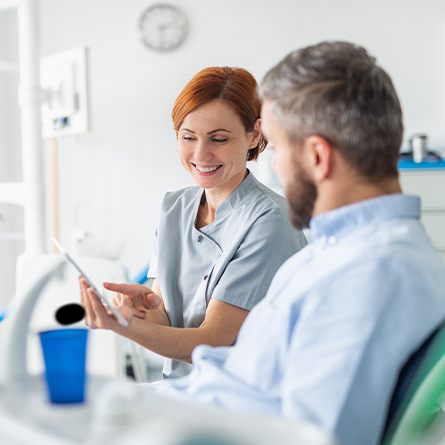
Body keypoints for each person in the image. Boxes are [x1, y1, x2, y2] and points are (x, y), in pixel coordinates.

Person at [146, 42, 444, 445]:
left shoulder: (370, 274)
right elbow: (244, 375)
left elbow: (314, 436)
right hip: (188, 411)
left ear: (318, 157)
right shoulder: (338, 253)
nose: (275, 165)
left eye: (278, 148)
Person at [80, 66, 307, 379]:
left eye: (219, 139)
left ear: (254, 134)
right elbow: (166, 318)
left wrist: (125, 327)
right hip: (183, 391)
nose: (201, 154)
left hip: (241, 400)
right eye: (188, 137)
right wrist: (140, 311)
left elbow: (212, 342)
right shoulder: (174, 207)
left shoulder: (270, 220)